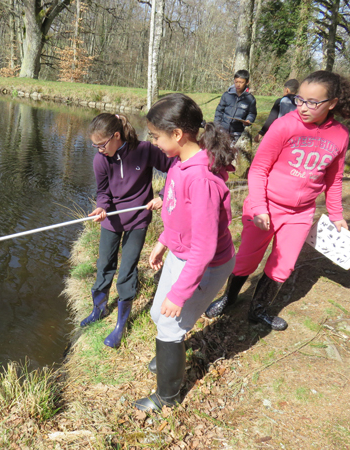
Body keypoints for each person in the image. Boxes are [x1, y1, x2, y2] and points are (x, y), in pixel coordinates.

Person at [205, 71, 350, 330]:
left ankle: (258, 310)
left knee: (283, 265)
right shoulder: (284, 125)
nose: (303, 107)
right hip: (265, 205)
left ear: (332, 103)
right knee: (246, 258)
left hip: (300, 214)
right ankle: (229, 298)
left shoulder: (340, 135)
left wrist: (336, 215)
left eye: (313, 102)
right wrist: (259, 207)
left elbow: (334, 179)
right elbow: (258, 169)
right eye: (301, 99)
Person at [134, 94, 237, 412]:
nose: (152, 142)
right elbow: (178, 212)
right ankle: (169, 356)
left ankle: (167, 397)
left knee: (169, 324)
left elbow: (204, 248)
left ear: (177, 134)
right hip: (182, 254)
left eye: (155, 136)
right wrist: (164, 240)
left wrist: (179, 293)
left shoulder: (201, 179)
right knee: (157, 315)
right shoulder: (180, 164)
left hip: (204, 264)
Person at [81, 113, 174, 349]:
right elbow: (103, 192)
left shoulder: (145, 150)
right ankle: (99, 310)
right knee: (104, 266)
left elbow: (175, 166)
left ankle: (121, 325)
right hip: (111, 220)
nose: (100, 150)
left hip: (138, 219)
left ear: (116, 136)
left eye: (102, 145)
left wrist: (162, 196)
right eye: (95, 146)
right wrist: (101, 207)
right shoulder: (100, 161)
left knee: (126, 270)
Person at [214, 69, 257, 141]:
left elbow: (252, 113)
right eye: (236, 82)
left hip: (237, 133)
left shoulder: (250, 99)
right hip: (222, 131)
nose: (238, 84)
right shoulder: (227, 95)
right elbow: (219, 111)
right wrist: (217, 127)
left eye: (241, 82)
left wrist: (248, 120)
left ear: (247, 82)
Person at [254, 79, 299, 143]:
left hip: (280, 133)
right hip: (295, 136)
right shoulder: (300, 102)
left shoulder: (281, 101)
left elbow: (271, 118)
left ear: (287, 90)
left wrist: (261, 134)